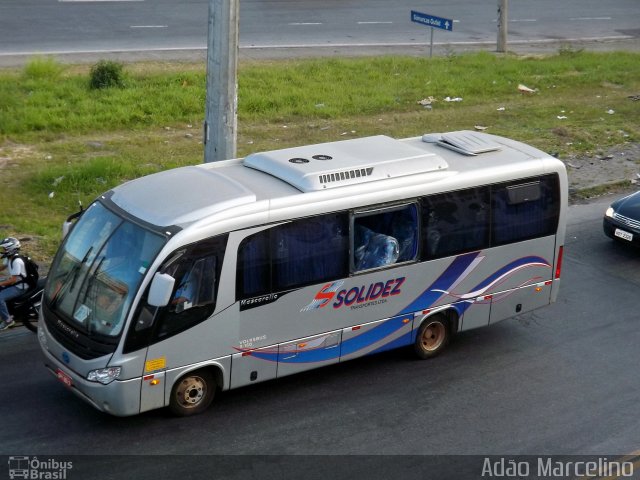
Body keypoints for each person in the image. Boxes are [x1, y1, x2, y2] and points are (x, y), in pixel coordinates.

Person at [0, 237, 29, 330]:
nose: (3, 251)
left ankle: (8, 320)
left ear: (10, 249)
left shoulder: (16, 261)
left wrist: (1, 283)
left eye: (4, 249)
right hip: (15, 283)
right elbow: (2, 267)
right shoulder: (9, 258)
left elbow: (13, 280)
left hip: (20, 287)